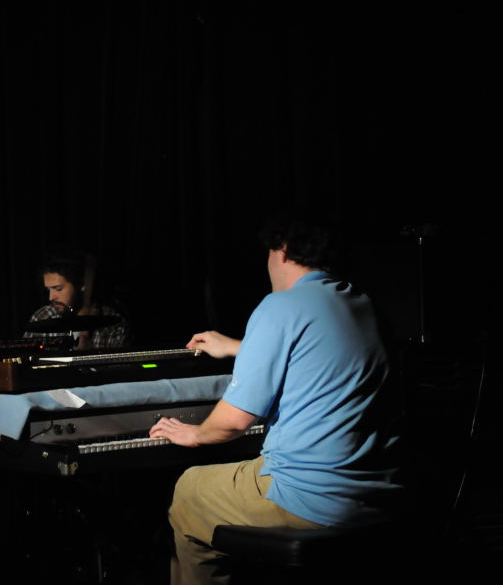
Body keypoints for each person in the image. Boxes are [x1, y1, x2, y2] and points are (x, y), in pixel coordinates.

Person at [149, 218, 402, 585]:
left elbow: (234, 422)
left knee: (189, 489)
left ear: (282, 251)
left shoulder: (280, 306)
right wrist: (239, 347)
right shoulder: (361, 303)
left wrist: (195, 433)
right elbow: (319, 356)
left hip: (309, 499)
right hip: (377, 493)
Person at [24, 249, 129, 349]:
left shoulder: (113, 324)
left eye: (58, 289)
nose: (51, 297)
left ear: (81, 284)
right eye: (48, 290)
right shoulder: (43, 316)